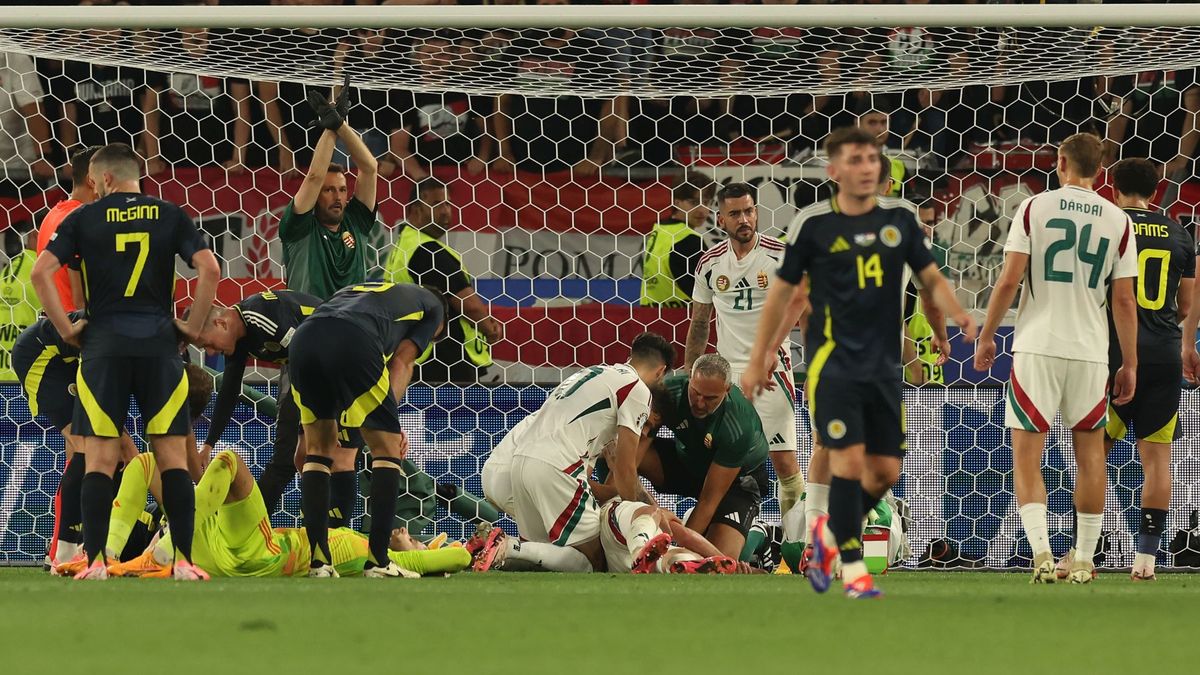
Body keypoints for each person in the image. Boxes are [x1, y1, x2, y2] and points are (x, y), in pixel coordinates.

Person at [743, 126, 975, 598]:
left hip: (884, 363)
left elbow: (929, 281)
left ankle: (828, 537)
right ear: (834, 171)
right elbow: (790, 294)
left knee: (886, 471)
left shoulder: (903, 223)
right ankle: (848, 567)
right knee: (844, 460)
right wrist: (763, 353)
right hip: (834, 363)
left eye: (873, 160)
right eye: (856, 160)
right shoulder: (812, 226)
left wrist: (954, 322)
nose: (866, 167)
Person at [30, 142, 221, 581]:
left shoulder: (82, 217)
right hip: (159, 348)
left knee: (98, 458)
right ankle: (184, 562)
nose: (94, 190)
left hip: (103, 349)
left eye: (95, 183)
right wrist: (190, 327)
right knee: (173, 457)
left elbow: (41, 273)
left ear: (107, 179)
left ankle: (95, 562)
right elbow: (209, 269)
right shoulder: (170, 214)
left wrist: (66, 329)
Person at [973, 133, 1138, 585]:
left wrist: (987, 336)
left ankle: (1043, 554)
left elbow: (1009, 280)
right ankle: (1084, 558)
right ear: (1101, 170)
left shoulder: (1034, 207)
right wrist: (1130, 364)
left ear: (1060, 161)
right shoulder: (1119, 220)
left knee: (1027, 456)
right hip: (1089, 351)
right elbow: (1124, 302)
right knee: (1091, 456)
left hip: (1037, 346)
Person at [76, 448, 471, 579]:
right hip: (206, 546)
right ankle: (107, 556)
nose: (403, 532)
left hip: (256, 551)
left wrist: (463, 550)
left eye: (412, 535)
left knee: (230, 460)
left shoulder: (356, 549)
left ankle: (151, 547)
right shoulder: (353, 547)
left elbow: (452, 556)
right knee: (145, 462)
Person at [474, 332, 674, 573]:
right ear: (661, 372)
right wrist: (632, 517)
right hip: (557, 466)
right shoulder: (638, 389)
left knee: (540, 559)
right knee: (594, 559)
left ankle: (494, 548)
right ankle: (507, 546)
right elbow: (626, 466)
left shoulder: (591, 373)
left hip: (521, 462)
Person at [288, 282, 445, 578]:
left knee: (318, 452)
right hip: (354, 340)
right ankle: (377, 561)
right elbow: (402, 361)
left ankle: (319, 563)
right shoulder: (432, 308)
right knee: (386, 450)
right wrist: (388, 422)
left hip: (304, 339)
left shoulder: (364, 290)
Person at [684, 182, 806, 549]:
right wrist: (691, 373)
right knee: (716, 468)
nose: (744, 219)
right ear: (720, 218)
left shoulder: (779, 255)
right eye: (735, 213)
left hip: (771, 371)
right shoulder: (709, 263)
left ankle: (798, 550)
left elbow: (801, 300)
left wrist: (769, 350)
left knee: (784, 465)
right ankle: (714, 545)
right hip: (725, 377)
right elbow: (700, 321)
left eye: (749, 211)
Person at [1090, 158, 1192, 582]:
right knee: (1157, 458)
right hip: (1165, 353)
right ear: (1156, 190)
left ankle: (1083, 551)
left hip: (1113, 354)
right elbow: (1186, 305)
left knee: (1094, 453)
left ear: (1113, 188)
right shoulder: (1179, 232)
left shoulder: (1107, 226)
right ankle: (1147, 558)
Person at [187, 289, 327, 514]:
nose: (211, 352)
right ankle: (251, 524)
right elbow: (229, 391)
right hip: (304, 372)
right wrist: (208, 445)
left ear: (221, 323)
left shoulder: (263, 317)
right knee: (285, 458)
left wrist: (305, 429)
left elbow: (312, 357)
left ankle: (334, 534)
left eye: (207, 344)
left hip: (331, 364)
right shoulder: (239, 336)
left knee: (336, 456)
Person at [383, 178, 502, 384]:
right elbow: (468, 305)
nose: (446, 211)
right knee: (458, 416)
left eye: (447, 203)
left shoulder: (405, 246)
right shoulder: (427, 251)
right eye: (437, 204)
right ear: (415, 210)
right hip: (446, 358)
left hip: (415, 354)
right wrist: (489, 328)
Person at [35, 146, 99, 313]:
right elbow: (80, 299)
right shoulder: (84, 220)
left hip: (56, 324)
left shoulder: (51, 216)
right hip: (80, 326)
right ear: (91, 180)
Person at [640, 174, 713, 308]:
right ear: (676, 202)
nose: (703, 210)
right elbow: (707, 292)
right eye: (694, 202)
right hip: (682, 317)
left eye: (707, 202)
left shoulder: (659, 229)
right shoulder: (689, 239)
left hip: (649, 313)